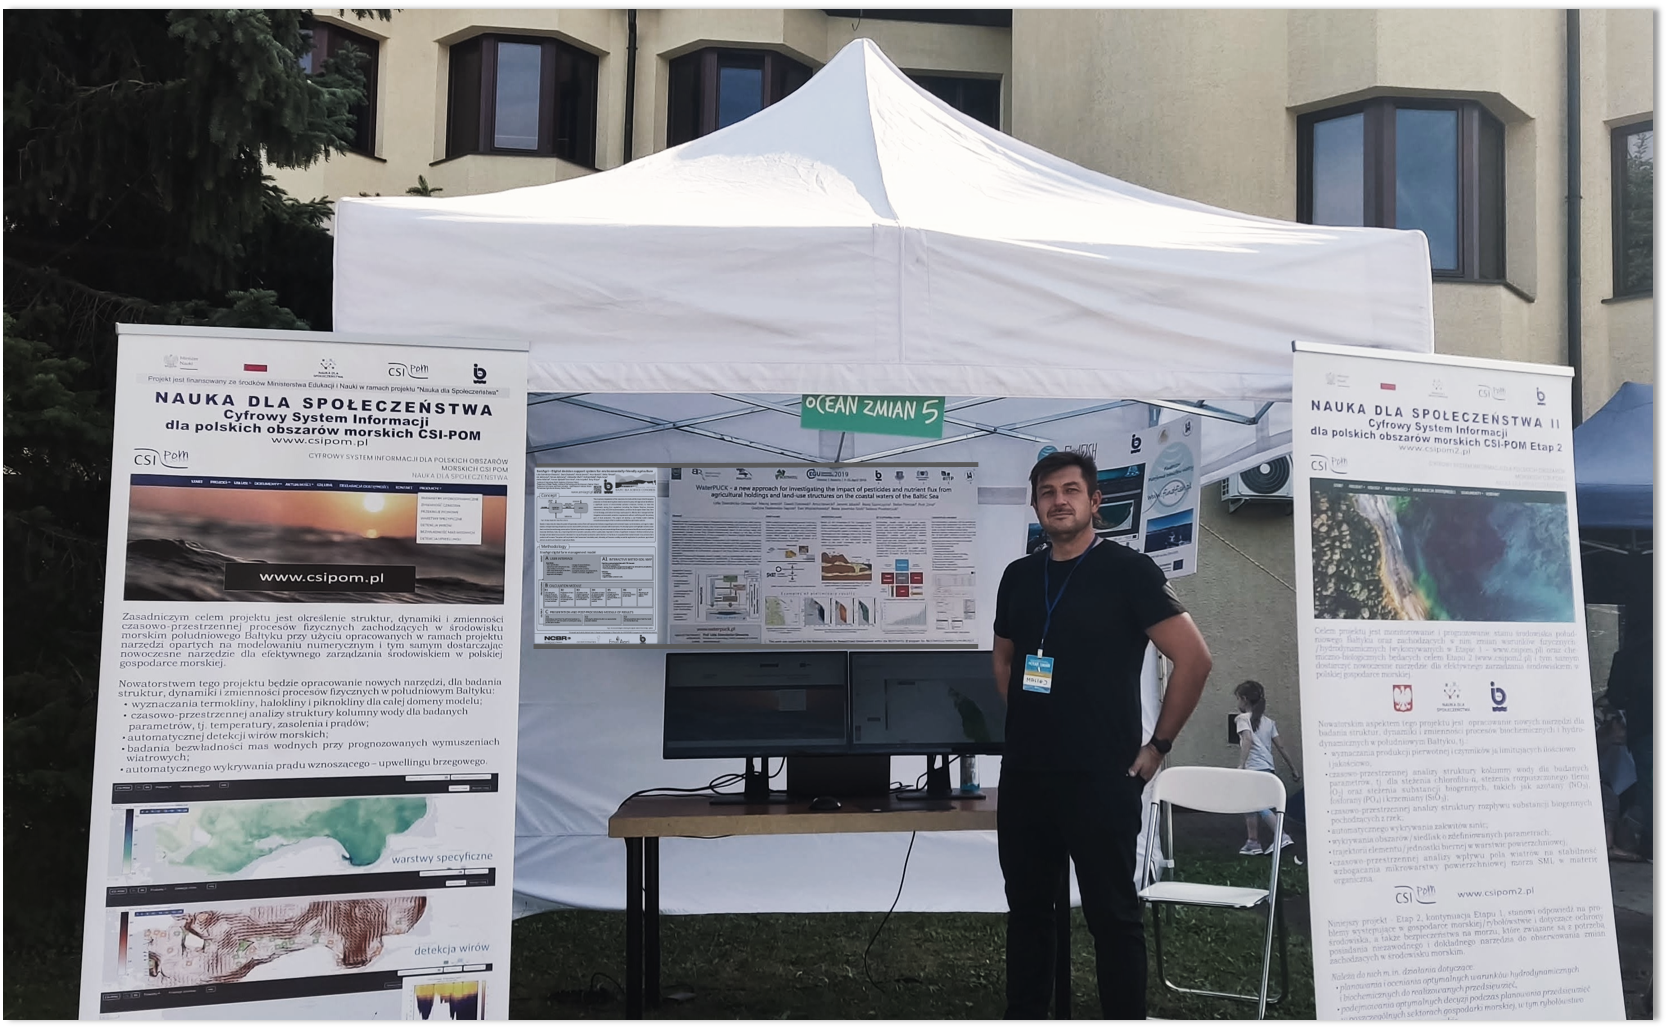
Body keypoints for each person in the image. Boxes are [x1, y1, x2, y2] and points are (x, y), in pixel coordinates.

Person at [993, 451, 1212, 1020]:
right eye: (1047, 492)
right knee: (1028, 914)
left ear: (1095, 502)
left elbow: (1194, 659)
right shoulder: (1018, 576)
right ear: (1035, 505)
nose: (1058, 500)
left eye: (1070, 490)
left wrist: (1157, 747)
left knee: (1113, 917)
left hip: (1102, 777)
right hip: (1026, 777)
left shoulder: (1129, 571)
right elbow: (1004, 659)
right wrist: (1033, 723)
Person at [1232, 680, 1301, 855]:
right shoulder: (1269, 722)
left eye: (1238, 698)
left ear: (1244, 699)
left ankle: (1281, 835)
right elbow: (1281, 746)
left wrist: (1241, 764)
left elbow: (1247, 739)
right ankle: (1253, 842)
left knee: (1259, 804)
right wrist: (1293, 768)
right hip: (1267, 768)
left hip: (1253, 769)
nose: (1237, 702)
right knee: (1250, 804)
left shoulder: (1242, 719)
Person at [1606, 622, 1652, 858]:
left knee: (1649, 787)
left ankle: (1650, 844)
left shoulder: (1625, 657)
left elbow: (1615, 696)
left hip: (1644, 729)